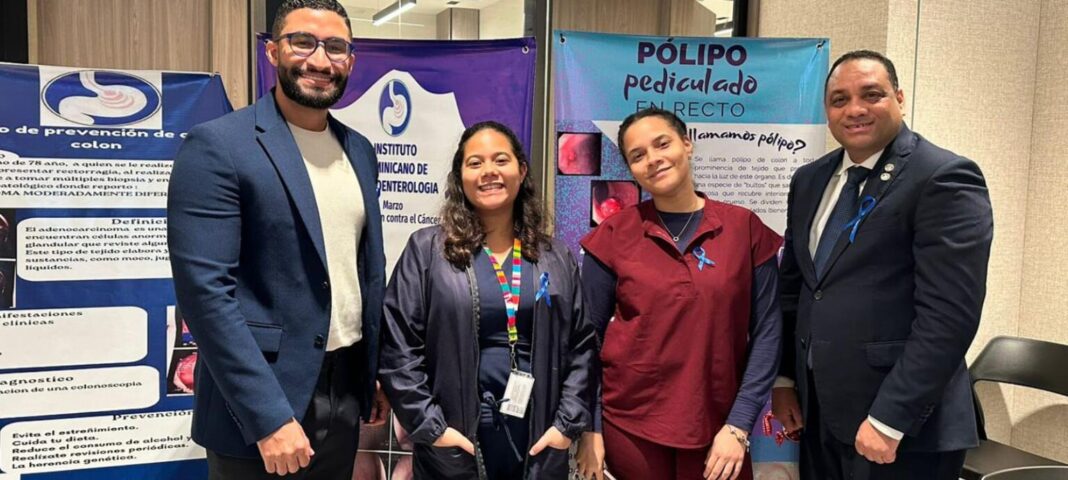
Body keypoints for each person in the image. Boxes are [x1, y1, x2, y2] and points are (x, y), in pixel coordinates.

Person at [167, 1, 387, 477]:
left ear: (350, 61)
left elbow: (361, 273)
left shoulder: (360, 151)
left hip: (344, 392)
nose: (320, 60)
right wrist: (268, 416)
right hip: (260, 406)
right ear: (273, 51)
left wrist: (371, 372)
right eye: (303, 42)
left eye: (335, 47)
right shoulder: (219, 145)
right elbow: (205, 295)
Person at [770, 50, 994, 480]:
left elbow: (949, 316)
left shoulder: (943, 177)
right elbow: (795, 289)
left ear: (900, 98)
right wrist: (785, 380)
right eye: (839, 100)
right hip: (820, 413)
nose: (854, 109)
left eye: (871, 94)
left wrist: (890, 419)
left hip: (901, 428)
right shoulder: (810, 180)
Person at [378, 121, 597, 479]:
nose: (489, 171)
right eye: (475, 163)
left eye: (500, 160)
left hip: (538, 441)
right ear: (460, 177)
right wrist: (433, 428)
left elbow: (582, 346)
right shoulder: (427, 250)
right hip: (454, 440)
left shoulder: (555, 256)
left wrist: (566, 425)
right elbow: (398, 346)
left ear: (521, 171)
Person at [576, 107, 784, 480]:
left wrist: (739, 423)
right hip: (629, 426)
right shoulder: (613, 235)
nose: (653, 159)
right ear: (631, 169)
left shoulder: (744, 228)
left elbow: (768, 331)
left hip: (720, 428)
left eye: (662, 144)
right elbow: (587, 340)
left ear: (687, 144)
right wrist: (591, 427)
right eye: (638, 155)